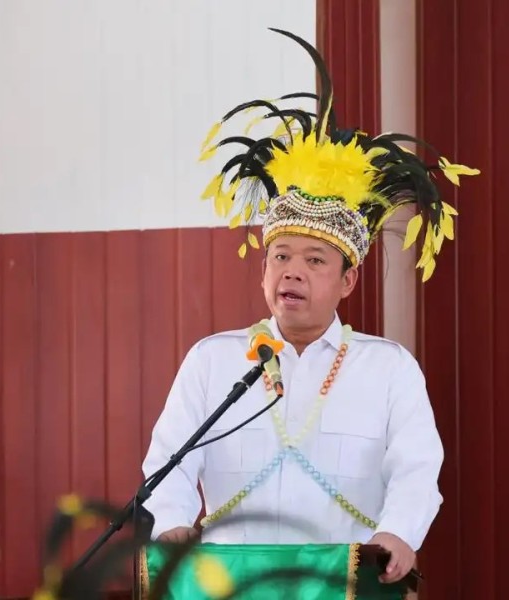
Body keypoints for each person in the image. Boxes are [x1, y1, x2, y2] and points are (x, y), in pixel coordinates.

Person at [139, 28, 479, 586]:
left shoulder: (388, 367)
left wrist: (400, 533)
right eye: (280, 256)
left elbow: (418, 467)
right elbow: (169, 459)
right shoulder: (214, 360)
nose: (291, 271)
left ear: (349, 281)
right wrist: (172, 522)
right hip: (229, 583)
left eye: (315, 261)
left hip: (344, 581)